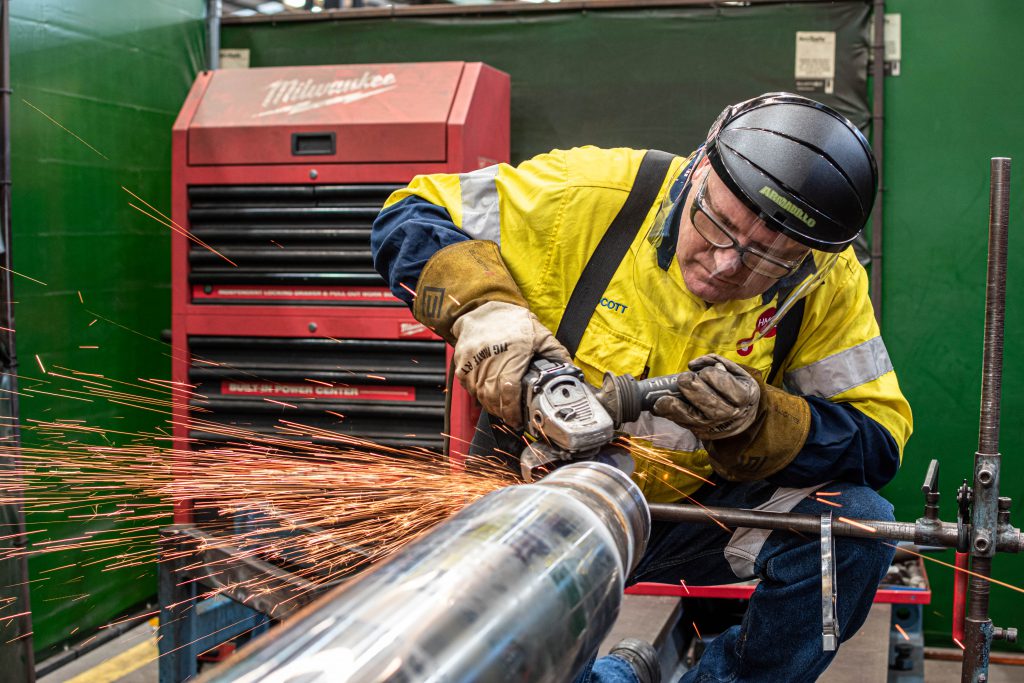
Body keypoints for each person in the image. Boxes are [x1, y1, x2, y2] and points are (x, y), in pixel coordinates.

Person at [371, 92, 912, 683]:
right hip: (543, 499)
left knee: (857, 526)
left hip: (699, 516)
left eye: (766, 259)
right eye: (717, 226)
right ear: (699, 167)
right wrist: (484, 311)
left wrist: (761, 422)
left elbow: (877, 444)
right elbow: (410, 212)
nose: (726, 266)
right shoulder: (596, 195)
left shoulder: (825, 283)